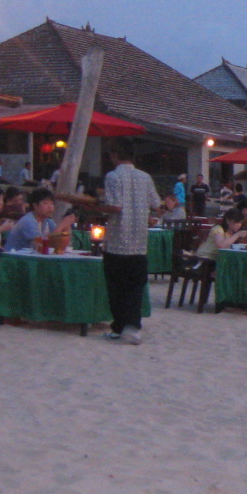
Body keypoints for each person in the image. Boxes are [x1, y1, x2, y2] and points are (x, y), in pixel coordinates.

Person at [97, 138, 163, 345]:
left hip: (118, 240)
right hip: (139, 241)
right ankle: (133, 326)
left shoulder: (113, 176)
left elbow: (115, 206)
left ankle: (118, 327)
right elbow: (156, 203)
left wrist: (95, 207)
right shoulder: (145, 177)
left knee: (116, 287)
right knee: (135, 287)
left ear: (115, 155)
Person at [4, 187, 72, 252]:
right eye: (46, 203)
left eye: (52, 204)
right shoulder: (28, 221)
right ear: (35, 206)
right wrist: (61, 226)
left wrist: (66, 227)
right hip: (15, 258)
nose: (50, 207)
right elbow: (43, 245)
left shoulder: (48, 221)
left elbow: (60, 244)